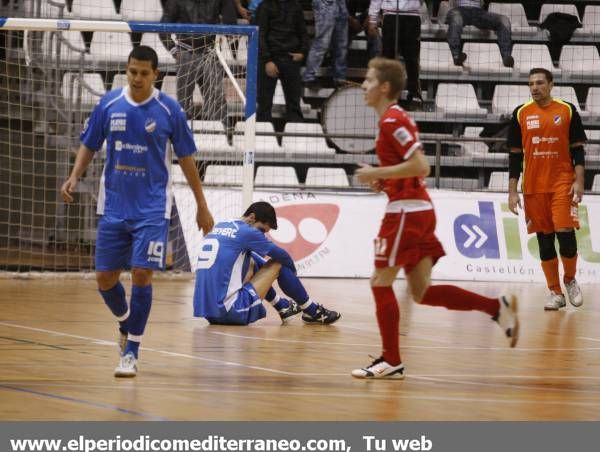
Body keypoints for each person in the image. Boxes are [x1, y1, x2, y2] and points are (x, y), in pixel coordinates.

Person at [352, 57, 518, 380]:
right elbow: (410, 169)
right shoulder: (393, 119)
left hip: (405, 214)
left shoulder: (391, 122)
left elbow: (421, 166)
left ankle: (391, 359)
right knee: (422, 292)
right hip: (417, 209)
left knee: (379, 282)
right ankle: (497, 308)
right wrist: (384, 181)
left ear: (385, 87)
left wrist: (377, 171)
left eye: (369, 80)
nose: (363, 86)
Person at [60, 46, 214, 378]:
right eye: (132, 71)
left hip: (152, 209)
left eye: (144, 73)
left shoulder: (169, 110)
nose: (137, 78)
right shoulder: (109, 104)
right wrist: (75, 175)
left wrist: (202, 205)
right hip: (114, 205)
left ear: (155, 75)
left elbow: (187, 159)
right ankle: (126, 323)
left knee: (142, 273)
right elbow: (89, 143)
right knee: (105, 279)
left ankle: (132, 351)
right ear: (126, 71)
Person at [507, 68, 586, 310]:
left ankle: (570, 279)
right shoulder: (520, 114)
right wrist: (512, 190)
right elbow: (514, 156)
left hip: (562, 182)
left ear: (551, 85)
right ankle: (555, 292)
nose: (534, 88)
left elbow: (578, 150)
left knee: (565, 233)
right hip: (533, 187)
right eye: (531, 84)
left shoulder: (567, 109)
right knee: (544, 240)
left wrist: (579, 181)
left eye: (540, 83)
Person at [193, 201, 341, 325]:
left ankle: (282, 306)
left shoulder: (221, 224)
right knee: (279, 263)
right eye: (262, 230)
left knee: (252, 258)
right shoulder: (247, 232)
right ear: (251, 217)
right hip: (229, 312)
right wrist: (292, 275)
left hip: (208, 313)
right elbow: (283, 256)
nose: (261, 235)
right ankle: (311, 311)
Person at [159, 0, 237, 122]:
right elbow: (163, 26)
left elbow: (231, 23)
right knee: (183, 102)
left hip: (210, 52)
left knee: (216, 99)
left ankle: (222, 134)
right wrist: (174, 50)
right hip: (186, 52)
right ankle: (180, 135)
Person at [255, 0, 309, 123]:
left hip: (291, 60)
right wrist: (267, 60)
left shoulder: (296, 6)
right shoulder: (264, 6)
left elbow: (303, 33)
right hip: (270, 60)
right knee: (264, 106)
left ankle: (296, 139)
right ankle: (262, 138)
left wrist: (302, 53)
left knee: (294, 106)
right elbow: (260, 34)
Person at [367, 0, 423, 107]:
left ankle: (414, 93)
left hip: (412, 15)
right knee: (388, 57)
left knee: (412, 57)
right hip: (390, 15)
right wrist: (373, 18)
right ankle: (388, 93)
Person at [446, 0, 514, 67]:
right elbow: (451, 4)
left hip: (478, 12)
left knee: (504, 20)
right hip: (459, 10)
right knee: (456, 18)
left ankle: (506, 57)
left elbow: (482, 4)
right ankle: (456, 56)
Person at [302, 0, 349, 90]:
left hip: (341, 4)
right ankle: (309, 77)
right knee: (322, 43)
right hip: (325, 3)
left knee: (341, 45)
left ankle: (339, 78)